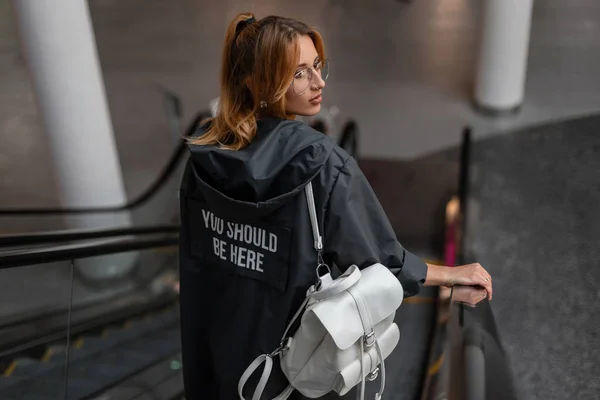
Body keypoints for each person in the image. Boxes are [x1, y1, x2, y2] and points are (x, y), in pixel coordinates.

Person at [178, 12, 493, 400]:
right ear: (258, 83)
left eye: (317, 66)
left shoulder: (203, 160)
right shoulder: (322, 163)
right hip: (294, 367)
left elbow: (196, 265)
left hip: (221, 355)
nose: (318, 82)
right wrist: (450, 277)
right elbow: (382, 261)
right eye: (298, 73)